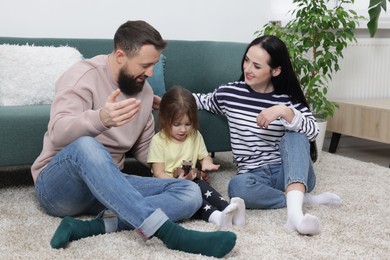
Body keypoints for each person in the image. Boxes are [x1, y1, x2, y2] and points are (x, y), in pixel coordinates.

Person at [30, 20, 236, 258]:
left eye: (154, 65)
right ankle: (169, 233)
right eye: (145, 65)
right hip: (60, 187)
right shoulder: (82, 76)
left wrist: (179, 163)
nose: (150, 73)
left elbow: (146, 149)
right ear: (120, 55)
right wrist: (101, 119)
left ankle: (93, 226)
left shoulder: (145, 92)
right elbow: (57, 131)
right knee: (87, 145)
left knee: (190, 193)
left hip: (109, 188)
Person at [193, 35, 342, 235]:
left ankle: (294, 215)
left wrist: (284, 111)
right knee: (237, 187)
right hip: (254, 176)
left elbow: (313, 131)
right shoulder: (229, 93)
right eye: (246, 61)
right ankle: (301, 200)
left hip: (289, 172)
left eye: (256, 66)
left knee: (295, 135)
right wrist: (163, 100)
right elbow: (200, 100)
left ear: (276, 70)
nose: (247, 69)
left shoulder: (287, 100)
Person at [147, 86, 246, 230]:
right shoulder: (158, 141)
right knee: (193, 197)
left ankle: (229, 209)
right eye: (177, 124)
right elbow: (158, 173)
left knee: (203, 187)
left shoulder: (194, 135)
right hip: (166, 185)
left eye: (188, 124)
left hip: (191, 180)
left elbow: (204, 157)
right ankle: (217, 217)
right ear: (164, 119)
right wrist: (178, 182)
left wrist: (207, 163)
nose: (183, 129)